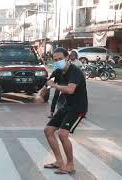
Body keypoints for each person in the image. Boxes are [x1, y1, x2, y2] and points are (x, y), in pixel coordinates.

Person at [36, 47, 88, 175]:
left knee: (63, 134)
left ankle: (70, 165)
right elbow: (48, 84)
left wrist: (55, 86)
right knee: (48, 131)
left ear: (67, 58)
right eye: (55, 60)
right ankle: (59, 161)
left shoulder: (74, 72)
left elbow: (70, 90)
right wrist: (42, 93)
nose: (58, 61)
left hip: (78, 108)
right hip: (67, 105)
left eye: (60, 59)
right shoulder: (58, 71)